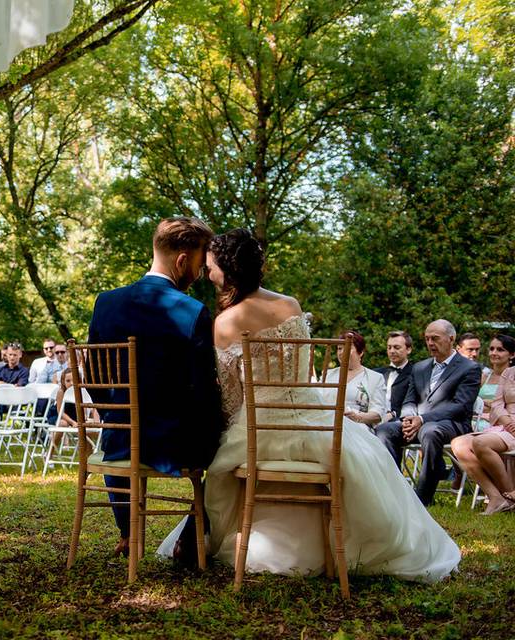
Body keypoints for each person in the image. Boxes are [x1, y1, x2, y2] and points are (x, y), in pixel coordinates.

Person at [157, 228, 460, 581]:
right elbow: (301, 371)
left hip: (258, 427)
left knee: (222, 462)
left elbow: (231, 398)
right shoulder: (290, 305)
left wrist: (226, 429)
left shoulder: (225, 323)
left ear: (228, 269)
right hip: (314, 419)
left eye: (211, 267)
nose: (208, 273)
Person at [89, 216, 225, 563]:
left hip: (119, 440)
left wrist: (115, 417)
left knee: (117, 430)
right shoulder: (193, 311)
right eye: (197, 265)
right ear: (182, 260)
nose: (197, 275)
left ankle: (127, 532)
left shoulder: (106, 302)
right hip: (175, 445)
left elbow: (94, 378)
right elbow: (202, 392)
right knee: (230, 446)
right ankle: (192, 538)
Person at [375, 319, 482, 505]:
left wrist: (422, 419)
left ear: (451, 338)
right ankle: (394, 490)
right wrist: (408, 418)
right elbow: (409, 400)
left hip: (452, 424)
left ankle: (423, 498)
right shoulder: (419, 367)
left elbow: (461, 405)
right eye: (427, 339)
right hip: (417, 422)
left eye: (435, 338)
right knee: (384, 429)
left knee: (430, 431)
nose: (430, 343)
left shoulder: (469, 368)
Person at [450, 335, 515, 514]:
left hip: (506, 428)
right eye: (492, 349)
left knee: (480, 442)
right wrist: (507, 421)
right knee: (458, 444)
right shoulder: (507, 375)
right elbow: (497, 404)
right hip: (503, 425)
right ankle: (497, 497)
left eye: (500, 349)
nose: (494, 353)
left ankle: (509, 496)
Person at [322, 330, 386, 431]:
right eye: (339, 348)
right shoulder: (327, 375)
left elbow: (377, 414)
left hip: (358, 427)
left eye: (348, 348)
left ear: (360, 352)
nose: (342, 352)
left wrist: (357, 417)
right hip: (327, 425)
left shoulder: (375, 378)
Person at [374, 331, 415, 423]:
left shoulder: (415, 373)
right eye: (389, 347)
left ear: (408, 349)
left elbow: (415, 403)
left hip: (399, 422)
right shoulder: (376, 373)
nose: (392, 351)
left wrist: (393, 414)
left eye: (397, 347)